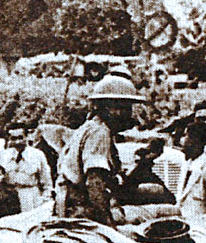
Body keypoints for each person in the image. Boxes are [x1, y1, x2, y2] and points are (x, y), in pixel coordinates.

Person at [55, 73, 144, 224]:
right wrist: (108, 226)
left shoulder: (93, 127)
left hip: (77, 204)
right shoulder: (99, 133)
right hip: (80, 210)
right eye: (122, 108)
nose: (127, 114)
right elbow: (95, 184)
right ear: (106, 108)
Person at [0, 126, 53, 212]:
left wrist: (45, 198)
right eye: (13, 138)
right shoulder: (3, 155)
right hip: (9, 197)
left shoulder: (37, 155)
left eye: (21, 137)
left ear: (27, 137)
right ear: (9, 139)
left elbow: (46, 181)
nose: (17, 141)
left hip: (31, 196)